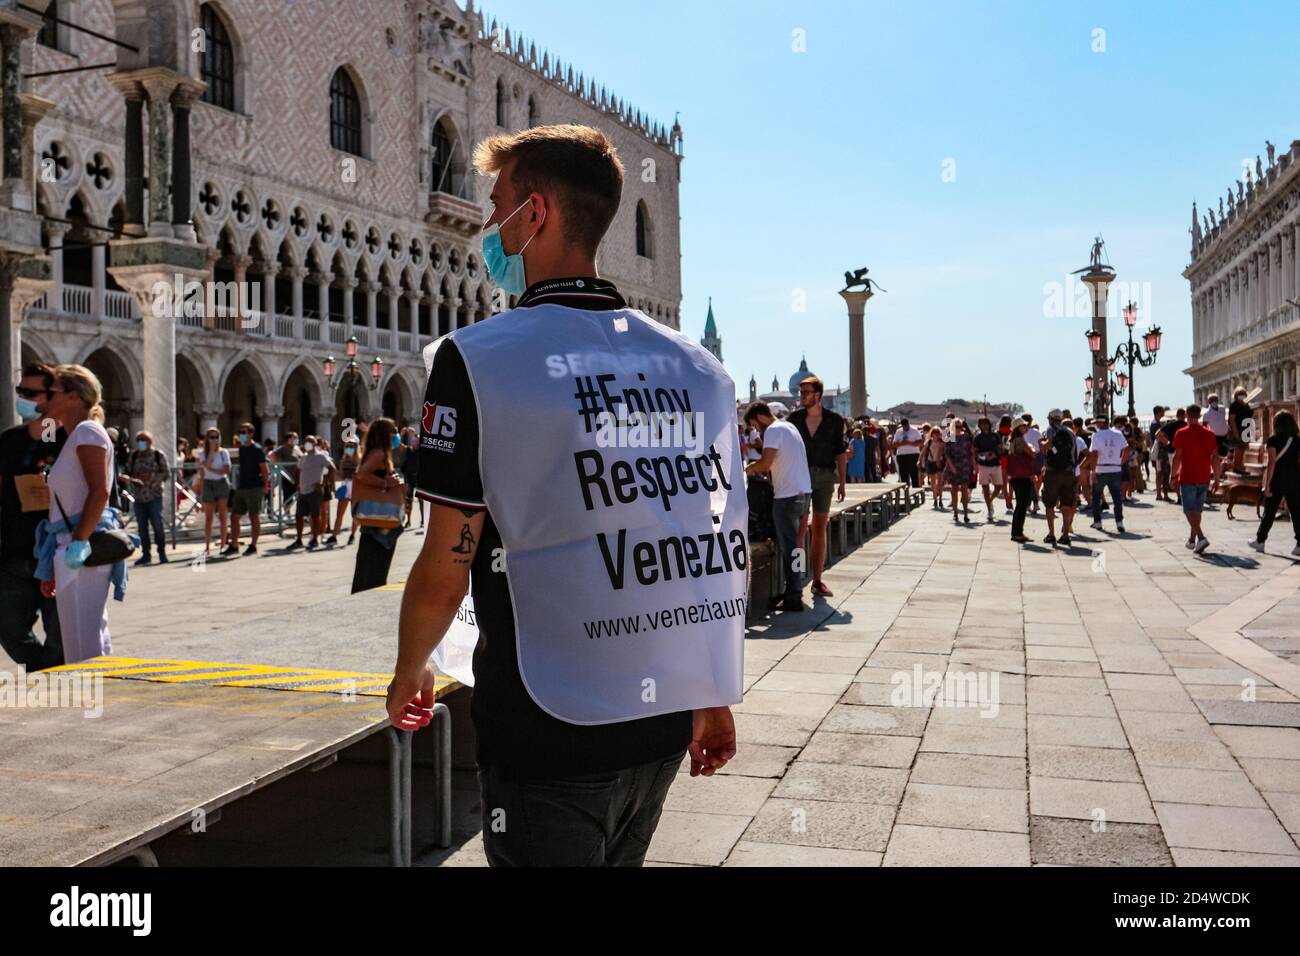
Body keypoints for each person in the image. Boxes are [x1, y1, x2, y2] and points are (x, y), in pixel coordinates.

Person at [392, 124, 738, 867]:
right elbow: (700, 545)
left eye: (497, 206)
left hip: (547, 725)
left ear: (536, 214)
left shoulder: (479, 360)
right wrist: (712, 690)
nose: (489, 224)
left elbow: (448, 557)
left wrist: (410, 666)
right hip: (661, 717)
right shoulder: (696, 368)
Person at [34, 365, 134, 664]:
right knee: (86, 638)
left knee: (83, 646)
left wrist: (78, 542)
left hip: (80, 546)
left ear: (73, 397)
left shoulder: (87, 431)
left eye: (52, 392)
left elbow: (100, 491)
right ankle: (102, 700)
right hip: (68, 545)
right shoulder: (75, 435)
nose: (45, 398)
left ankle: (95, 703)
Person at [0, 363, 65, 669]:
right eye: (20, 391)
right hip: (14, 550)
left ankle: (58, 688)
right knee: (8, 627)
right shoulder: (10, 439)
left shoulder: (60, 435)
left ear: (52, 396)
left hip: (54, 550)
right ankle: (45, 670)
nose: (23, 397)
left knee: (59, 633)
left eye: (30, 392)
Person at [745, 402, 812, 612]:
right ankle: (797, 587)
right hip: (804, 492)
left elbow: (765, 462)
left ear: (759, 417)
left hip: (787, 497)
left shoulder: (773, 430)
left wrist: (749, 469)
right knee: (798, 545)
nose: (756, 430)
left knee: (790, 547)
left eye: (754, 425)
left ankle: (793, 596)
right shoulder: (788, 426)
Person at [788, 376, 847, 599]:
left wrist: (842, 482)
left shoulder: (834, 420)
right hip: (800, 478)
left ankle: (817, 580)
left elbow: (840, 452)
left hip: (824, 478)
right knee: (800, 531)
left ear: (818, 395)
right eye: (801, 393)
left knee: (820, 528)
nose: (802, 396)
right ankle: (795, 581)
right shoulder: (794, 419)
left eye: (806, 392)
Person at [351, 418, 404, 591]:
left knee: (371, 569)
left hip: (375, 519)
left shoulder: (375, 451)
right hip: (379, 519)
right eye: (393, 431)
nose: (396, 435)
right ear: (385, 435)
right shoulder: (380, 453)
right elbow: (361, 474)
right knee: (373, 570)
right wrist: (386, 483)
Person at [1249, 410, 1300, 556]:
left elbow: (1272, 463)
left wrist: (1267, 484)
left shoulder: (1273, 440)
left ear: (1276, 423)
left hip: (1277, 479)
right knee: (1297, 513)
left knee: (1269, 512)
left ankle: (1260, 541)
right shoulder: (1297, 440)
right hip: (1295, 479)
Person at [1171, 403, 1219, 554]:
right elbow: (1215, 458)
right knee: (1197, 511)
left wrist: (1173, 476)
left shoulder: (1181, 433)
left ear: (1186, 415)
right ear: (1199, 416)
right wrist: (1217, 479)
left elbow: (1177, 457)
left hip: (1188, 477)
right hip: (1204, 476)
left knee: (1188, 510)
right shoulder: (1209, 434)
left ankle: (1201, 537)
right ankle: (1192, 540)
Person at [120, 430, 169, 565]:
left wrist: (151, 477)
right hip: (139, 497)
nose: (140, 442)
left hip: (154, 496)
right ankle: (145, 554)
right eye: (138, 440)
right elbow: (128, 472)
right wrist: (130, 479)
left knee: (157, 525)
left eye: (143, 439)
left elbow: (166, 474)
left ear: (150, 442)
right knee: (142, 528)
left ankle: (162, 553)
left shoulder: (158, 455)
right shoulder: (134, 456)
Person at [287, 435, 334, 550]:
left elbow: (332, 469)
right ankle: (299, 539)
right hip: (303, 491)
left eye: (310, 442)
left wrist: (324, 483)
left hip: (315, 490)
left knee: (315, 515)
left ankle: (315, 538)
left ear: (315, 444)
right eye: (306, 442)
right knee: (299, 516)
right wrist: (297, 483)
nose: (307, 444)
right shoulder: (303, 457)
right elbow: (298, 471)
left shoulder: (320, 456)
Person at [229, 422, 269, 556]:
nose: (241, 434)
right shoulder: (242, 449)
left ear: (251, 433)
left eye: (244, 432)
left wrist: (265, 486)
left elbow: (264, 469)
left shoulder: (257, 449)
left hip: (255, 486)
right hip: (242, 486)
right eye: (240, 432)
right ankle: (234, 544)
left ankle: (253, 544)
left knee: (254, 516)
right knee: (235, 516)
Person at [1040, 416, 1080, 548]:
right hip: (1068, 472)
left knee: (1050, 504)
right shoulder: (1071, 433)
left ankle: (1051, 534)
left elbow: (1046, 447)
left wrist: (1042, 443)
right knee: (1067, 505)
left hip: (1053, 472)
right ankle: (1065, 536)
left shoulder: (1050, 430)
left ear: (1050, 419)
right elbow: (1074, 454)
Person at [1088, 414, 1129, 534]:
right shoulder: (1118, 433)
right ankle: (1119, 522)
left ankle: (1098, 521)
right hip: (1115, 469)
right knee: (1117, 497)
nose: (1096, 425)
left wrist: (1093, 471)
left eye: (1097, 423)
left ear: (1102, 423)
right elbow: (1126, 451)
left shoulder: (1096, 435)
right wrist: (1119, 463)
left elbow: (1094, 454)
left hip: (1101, 469)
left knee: (1096, 496)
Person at [196, 428, 232, 555]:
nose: (214, 439)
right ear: (207, 439)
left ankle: (223, 544)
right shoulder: (201, 453)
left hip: (221, 483)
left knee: (223, 516)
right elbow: (203, 468)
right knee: (208, 517)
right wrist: (211, 452)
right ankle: (207, 546)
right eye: (211, 437)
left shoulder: (224, 452)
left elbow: (227, 470)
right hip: (208, 483)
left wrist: (212, 469)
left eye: (217, 437)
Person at [1006, 422, 1036, 543]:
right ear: (1019, 428)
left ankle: (1017, 532)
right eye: (1024, 426)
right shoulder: (1020, 441)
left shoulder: (1013, 440)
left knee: (1020, 505)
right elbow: (1032, 453)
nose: (1027, 427)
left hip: (1016, 476)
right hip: (1022, 477)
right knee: (1022, 505)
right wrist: (1032, 447)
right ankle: (1017, 533)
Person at [943, 418, 976, 524]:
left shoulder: (966, 437)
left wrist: (974, 465)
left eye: (960, 426)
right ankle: (955, 512)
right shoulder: (949, 437)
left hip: (965, 465)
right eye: (956, 426)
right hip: (953, 464)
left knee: (964, 488)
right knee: (954, 489)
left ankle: (966, 513)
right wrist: (951, 466)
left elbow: (971, 452)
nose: (958, 428)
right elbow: (947, 454)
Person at [330, 437, 360, 546]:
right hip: (345, 485)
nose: (349, 448)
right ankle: (334, 535)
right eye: (347, 446)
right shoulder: (343, 460)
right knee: (339, 513)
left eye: (351, 446)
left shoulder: (359, 460)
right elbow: (342, 475)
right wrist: (340, 469)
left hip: (355, 487)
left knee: (355, 513)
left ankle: (352, 535)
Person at [973, 417, 1003, 523]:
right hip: (983, 465)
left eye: (986, 423)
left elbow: (1001, 449)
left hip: (996, 464)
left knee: (999, 487)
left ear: (989, 424)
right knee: (985, 488)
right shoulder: (977, 438)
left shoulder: (995, 436)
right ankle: (989, 510)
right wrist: (983, 456)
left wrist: (994, 454)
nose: (984, 425)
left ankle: (990, 501)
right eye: (982, 424)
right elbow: (975, 453)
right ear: (979, 425)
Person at [1203, 393, 1230, 492]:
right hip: (1214, 437)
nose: (1215, 401)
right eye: (1212, 400)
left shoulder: (1222, 409)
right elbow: (1205, 427)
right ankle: (1214, 478)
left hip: (1224, 436)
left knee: (1225, 456)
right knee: (1214, 458)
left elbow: (1224, 421)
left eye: (1216, 399)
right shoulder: (1206, 413)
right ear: (1209, 402)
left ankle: (1217, 477)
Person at [893, 417, 923, 491]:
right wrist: (902, 443)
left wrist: (909, 443)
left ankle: (916, 491)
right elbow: (894, 444)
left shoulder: (915, 431)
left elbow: (920, 442)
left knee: (914, 474)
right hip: (901, 455)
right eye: (903, 426)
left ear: (908, 424)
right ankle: (905, 491)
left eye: (906, 425)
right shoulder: (898, 431)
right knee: (903, 474)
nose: (905, 427)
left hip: (913, 454)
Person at [1228, 386, 1253, 475]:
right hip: (1238, 429)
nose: (1242, 396)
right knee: (1238, 448)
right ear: (1236, 395)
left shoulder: (1246, 404)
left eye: (1243, 394)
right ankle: (1237, 466)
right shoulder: (1234, 405)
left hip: (1246, 429)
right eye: (1240, 394)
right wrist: (1235, 433)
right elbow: (1232, 419)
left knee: (1243, 448)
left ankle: (1239, 465)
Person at [920, 425, 946, 509]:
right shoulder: (929, 442)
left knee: (940, 482)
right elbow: (923, 452)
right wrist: (919, 460)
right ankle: (935, 498)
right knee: (933, 482)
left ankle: (940, 499)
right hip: (931, 462)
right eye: (934, 433)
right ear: (932, 434)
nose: (936, 434)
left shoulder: (942, 442)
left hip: (940, 462)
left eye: (938, 433)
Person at [1022, 413, 1043, 514]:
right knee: (1031, 480)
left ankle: (1034, 502)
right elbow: (1041, 445)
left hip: (1026, 458)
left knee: (1030, 481)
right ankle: (1031, 503)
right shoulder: (1037, 432)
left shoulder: (1022, 432)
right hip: (1038, 457)